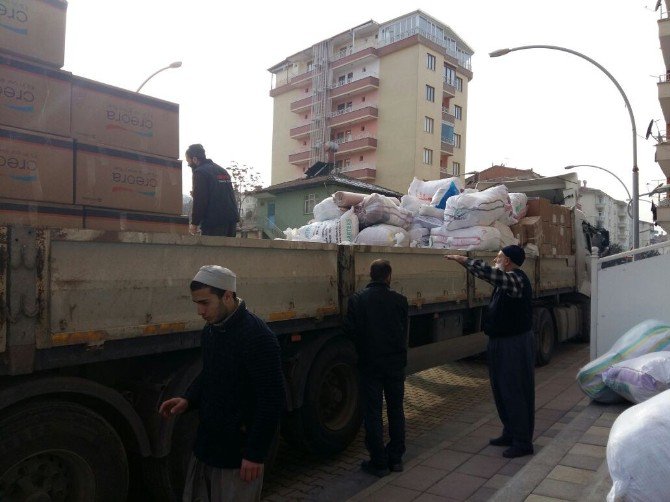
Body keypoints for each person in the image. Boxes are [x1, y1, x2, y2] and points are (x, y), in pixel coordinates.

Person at [159, 265, 285, 502]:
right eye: (196, 303)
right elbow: (211, 373)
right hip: (207, 447)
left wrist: (255, 454)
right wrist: (188, 398)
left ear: (227, 296)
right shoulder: (211, 331)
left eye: (205, 303)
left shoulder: (258, 337)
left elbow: (272, 399)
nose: (199, 311)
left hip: (238, 457)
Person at [444, 245, 535, 458]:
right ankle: (510, 432)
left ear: (509, 261)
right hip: (499, 341)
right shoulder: (506, 280)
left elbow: (490, 274)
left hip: (513, 343)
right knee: (501, 389)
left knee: (514, 390)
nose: (496, 258)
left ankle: (522, 441)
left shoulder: (516, 279)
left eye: (500, 256)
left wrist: (464, 260)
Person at [344, 259, 409, 477]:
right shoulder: (400, 300)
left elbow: (350, 331)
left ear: (371, 275)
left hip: (370, 364)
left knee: (372, 412)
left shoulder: (357, 300)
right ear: (388, 276)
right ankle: (396, 458)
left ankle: (378, 461)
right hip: (395, 364)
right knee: (396, 409)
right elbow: (403, 331)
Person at [185, 144, 239, 237]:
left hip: (214, 223)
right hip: (231, 222)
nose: (189, 165)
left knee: (213, 251)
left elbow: (200, 200)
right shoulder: (222, 171)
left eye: (189, 163)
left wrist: (194, 223)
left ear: (194, 159)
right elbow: (221, 194)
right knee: (229, 251)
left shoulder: (200, 172)